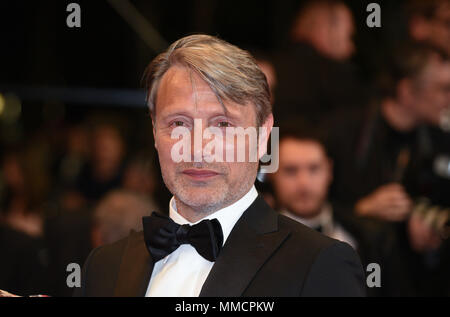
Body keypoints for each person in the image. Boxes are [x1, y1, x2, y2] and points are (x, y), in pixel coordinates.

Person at [74, 34, 365, 297]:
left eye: (222, 125)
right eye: (178, 123)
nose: (198, 148)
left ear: (263, 135)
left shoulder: (319, 264)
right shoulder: (103, 267)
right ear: (154, 132)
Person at [327, 43, 450, 296]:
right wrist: (359, 212)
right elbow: (301, 209)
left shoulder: (441, 140)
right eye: (443, 89)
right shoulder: (344, 134)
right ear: (406, 91)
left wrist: (432, 221)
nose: (448, 99)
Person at [270, 124, 357, 249]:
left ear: (329, 170)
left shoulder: (362, 236)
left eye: (314, 169)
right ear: (272, 174)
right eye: (290, 170)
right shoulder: (251, 242)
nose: (304, 183)